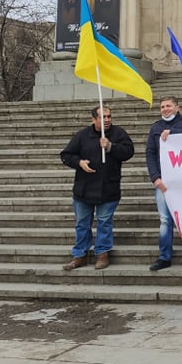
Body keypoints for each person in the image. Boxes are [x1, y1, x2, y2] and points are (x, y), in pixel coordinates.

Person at [59, 106, 134, 271]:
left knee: (104, 223)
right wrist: (79, 163)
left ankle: (102, 253)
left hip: (109, 188)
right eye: (103, 117)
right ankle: (80, 255)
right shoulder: (82, 135)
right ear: (93, 119)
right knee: (82, 224)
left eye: (109, 116)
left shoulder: (118, 133)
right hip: (84, 189)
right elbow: (66, 155)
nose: (107, 120)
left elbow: (129, 152)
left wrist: (110, 147)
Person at [146, 96, 182, 271]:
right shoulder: (155, 127)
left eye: (168, 106)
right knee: (165, 221)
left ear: (177, 107)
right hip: (163, 182)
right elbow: (150, 154)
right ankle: (164, 257)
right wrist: (155, 178)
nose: (165, 109)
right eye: (162, 106)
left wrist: (174, 134)